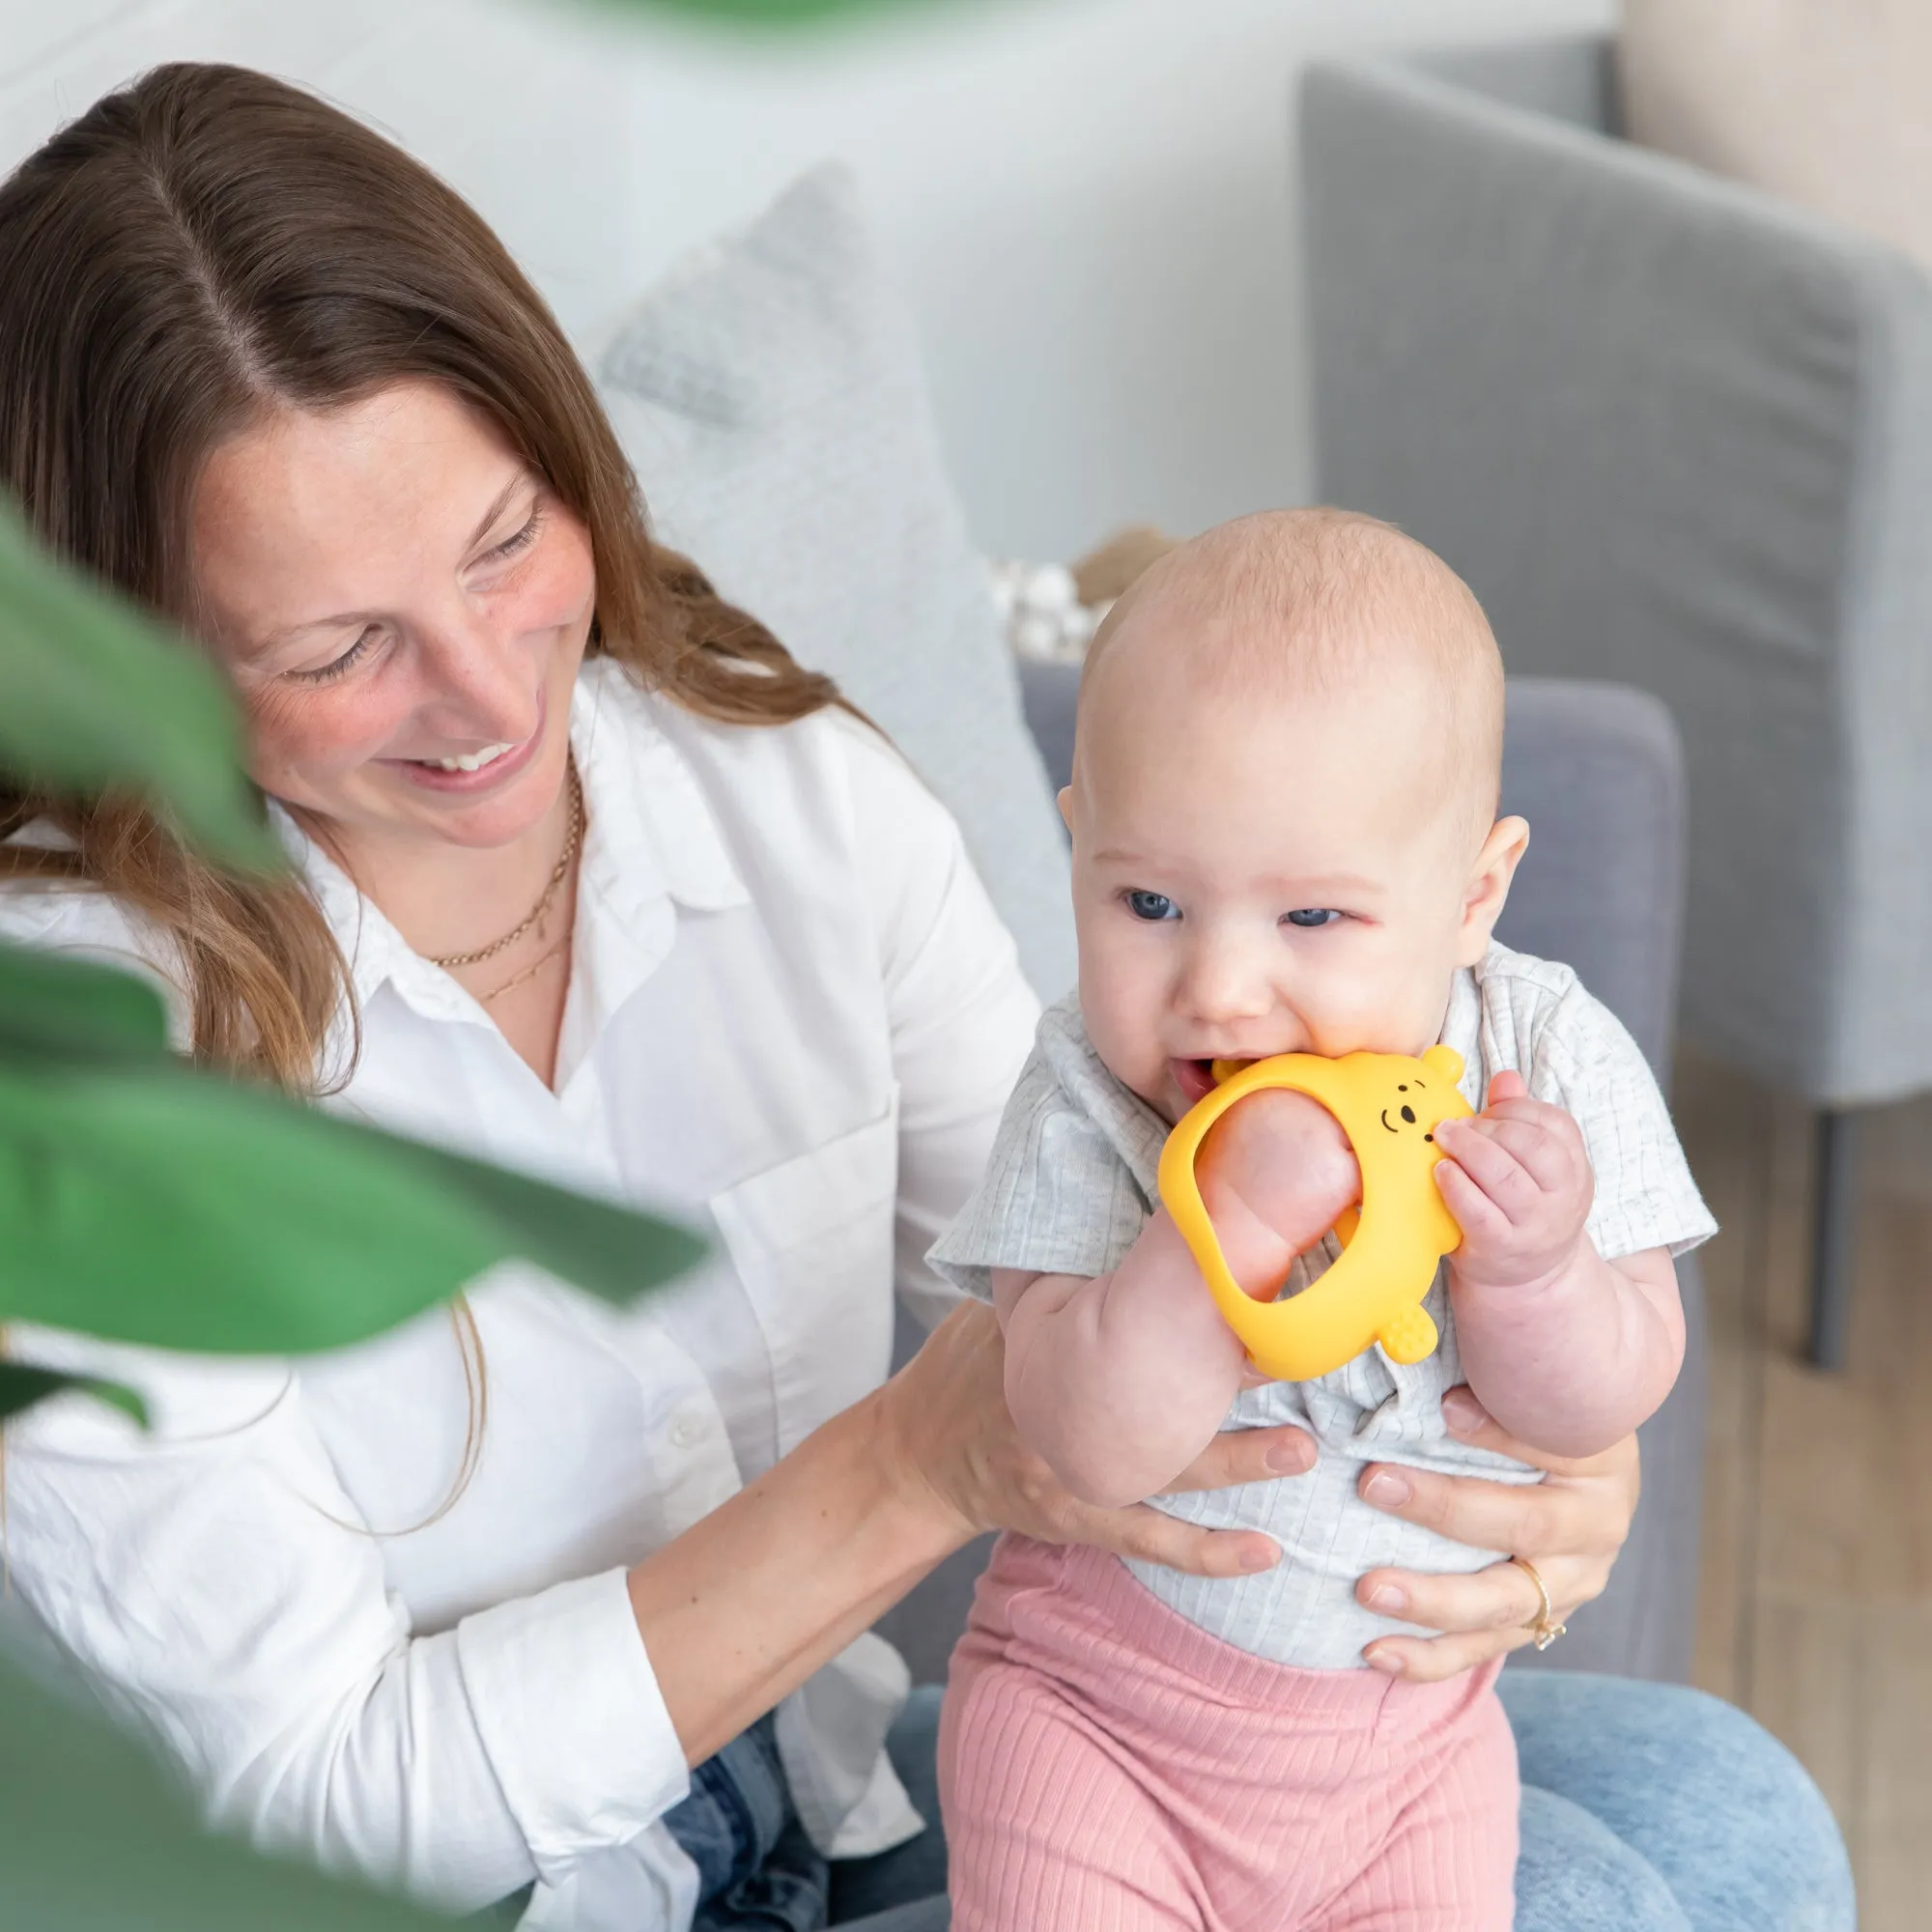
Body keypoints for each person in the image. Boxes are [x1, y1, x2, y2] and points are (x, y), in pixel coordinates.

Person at [0, 61, 1850, 1932]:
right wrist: (915, 1459)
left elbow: (1095, 1194)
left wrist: (1539, 1477)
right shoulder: (79, 1094)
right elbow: (318, 1825)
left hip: (823, 1795)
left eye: (504, 547)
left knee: (1711, 1804)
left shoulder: (759, 783)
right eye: (339, 647)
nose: (491, 697)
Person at [930, 510, 1710, 1927]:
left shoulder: (1544, 1056)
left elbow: (1602, 1404)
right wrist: (1212, 1234)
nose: (1221, 991)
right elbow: (1087, 1440)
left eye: (1312, 922)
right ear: (1076, 844)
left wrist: (1533, 1271)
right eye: (1150, 900)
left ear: (1473, 895)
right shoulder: (1087, 1098)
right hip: (1096, 1729)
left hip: (1412, 1760)